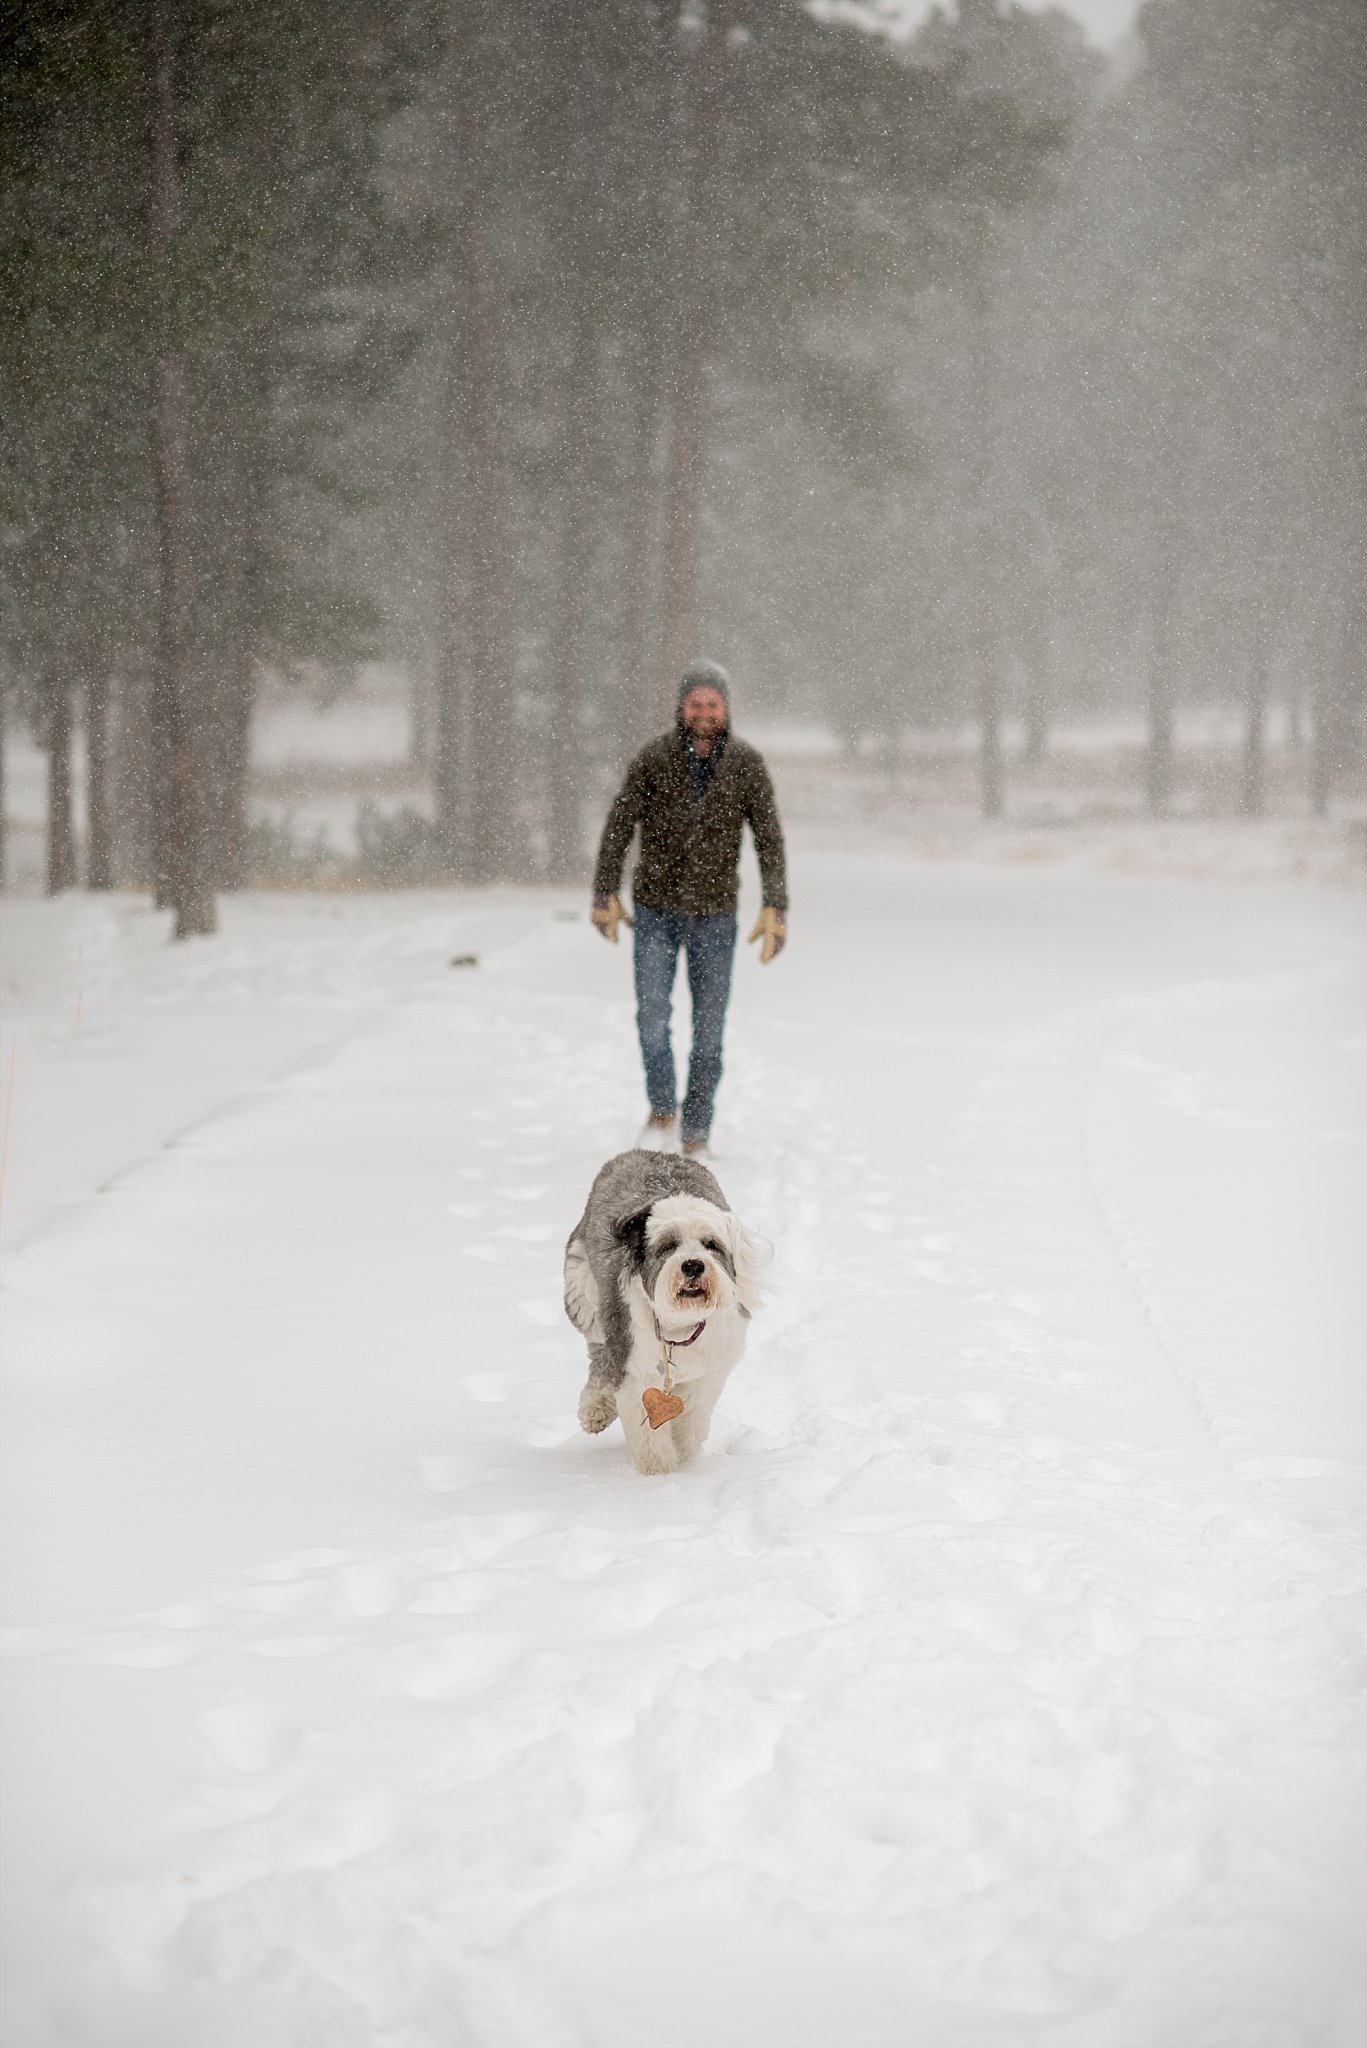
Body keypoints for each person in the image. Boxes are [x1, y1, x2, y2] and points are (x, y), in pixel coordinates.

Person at [591, 659, 788, 1157]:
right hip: (656, 909)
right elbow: (619, 824)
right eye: (695, 703)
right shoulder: (654, 759)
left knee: (709, 1031)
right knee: (652, 1017)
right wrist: (603, 892)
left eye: (712, 704)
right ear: (682, 707)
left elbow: (769, 838)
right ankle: (662, 1110)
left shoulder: (746, 765)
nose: (703, 712)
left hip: (716, 915)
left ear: (725, 708)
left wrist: (776, 905)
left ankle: (696, 1134)